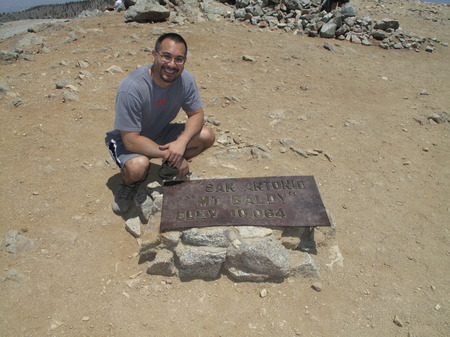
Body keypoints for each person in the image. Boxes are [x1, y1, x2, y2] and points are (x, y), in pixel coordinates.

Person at [105, 33, 215, 215]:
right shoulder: (132, 88)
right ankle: (128, 184)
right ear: (154, 55)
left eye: (179, 59)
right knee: (138, 167)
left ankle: (168, 166)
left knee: (206, 136)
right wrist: (176, 155)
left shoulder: (185, 79)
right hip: (126, 140)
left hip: (159, 132)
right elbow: (131, 140)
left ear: (184, 61)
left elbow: (196, 114)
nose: (172, 65)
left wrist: (182, 142)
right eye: (166, 56)